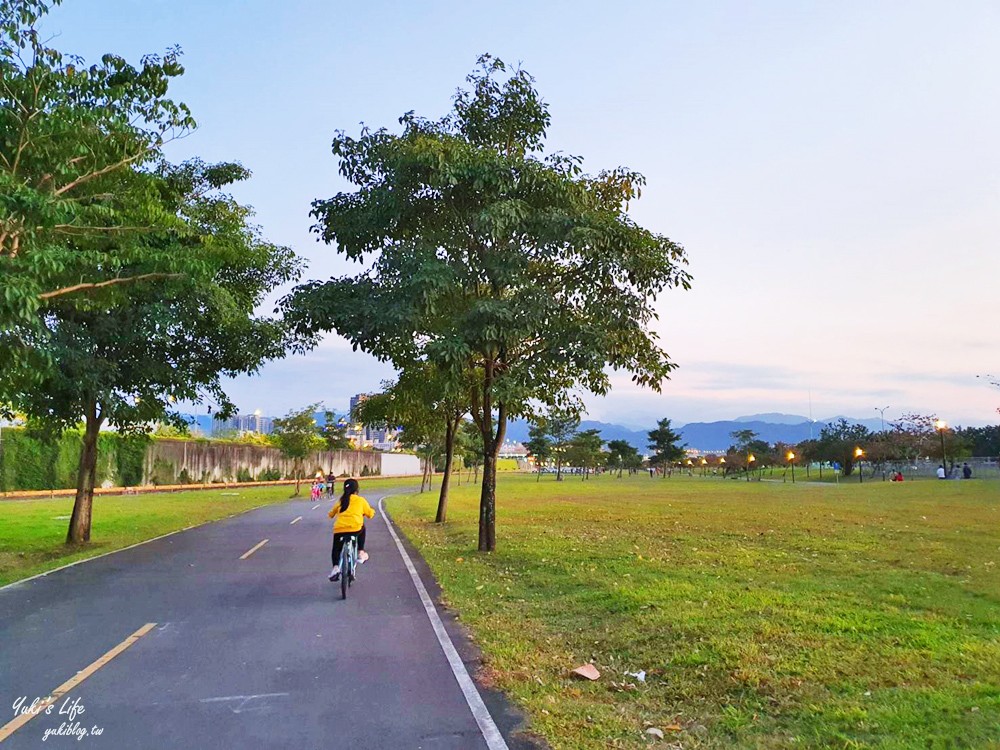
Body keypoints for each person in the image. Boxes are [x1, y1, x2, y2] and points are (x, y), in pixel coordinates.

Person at [328, 478, 375, 581]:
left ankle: (335, 568)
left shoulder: (341, 500)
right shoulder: (360, 500)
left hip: (339, 529)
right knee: (363, 527)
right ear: (357, 489)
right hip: (355, 529)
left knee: (336, 548)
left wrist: (333, 514)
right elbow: (370, 514)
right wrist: (371, 512)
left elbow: (331, 514)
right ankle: (360, 552)